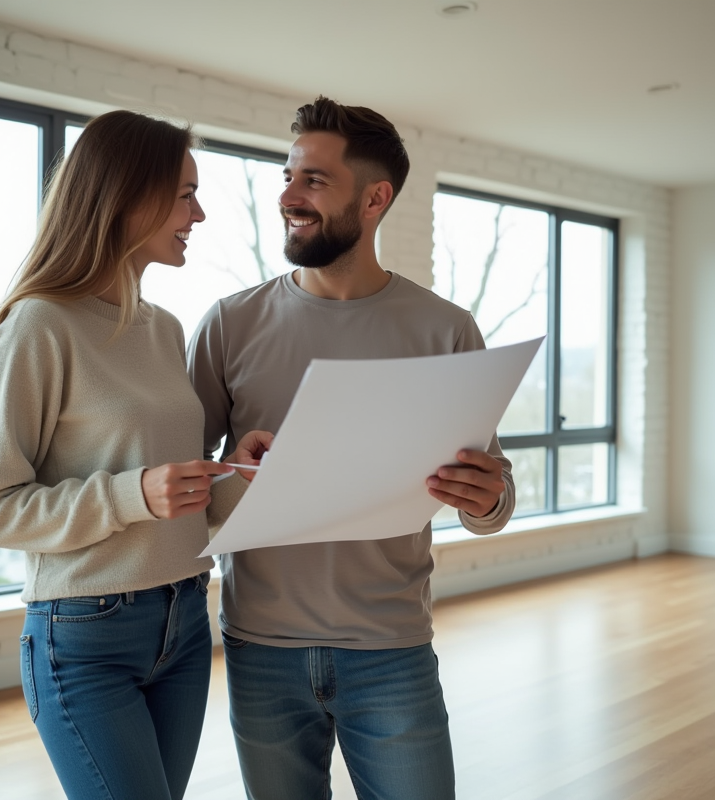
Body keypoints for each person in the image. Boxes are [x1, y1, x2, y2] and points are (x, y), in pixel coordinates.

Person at [188, 97, 515, 800]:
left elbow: (491, 491)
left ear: (374, 198)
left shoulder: (446, 330)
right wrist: (240, 478)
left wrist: (488, 500)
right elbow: (184, 489)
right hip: (260, 646)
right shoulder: (230, 324)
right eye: (287, 175)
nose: (287, 196)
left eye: (313, 180)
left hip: (391, 649)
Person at [0, 110, 270, 800]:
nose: (200, 212)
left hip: (186, 619)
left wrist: (240, 471)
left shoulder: (162, 330)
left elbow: (176, 496)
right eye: (186, 193)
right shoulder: (39, 325)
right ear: (128, 195)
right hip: (84, 637)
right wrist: (134, 494)